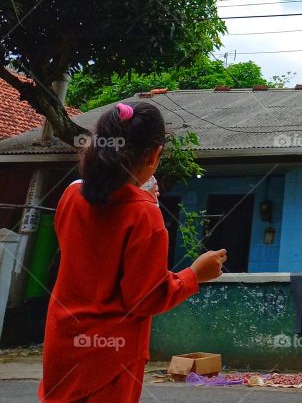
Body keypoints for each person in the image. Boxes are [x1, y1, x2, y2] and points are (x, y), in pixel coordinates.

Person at [39, 101, 226, 403]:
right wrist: (195, 274)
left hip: (63, 345)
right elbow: (145, 297)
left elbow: (90, 249)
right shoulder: (145, 215)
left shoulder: (71, 195)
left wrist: (139, 198)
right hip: (110, 361)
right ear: (154, 155)